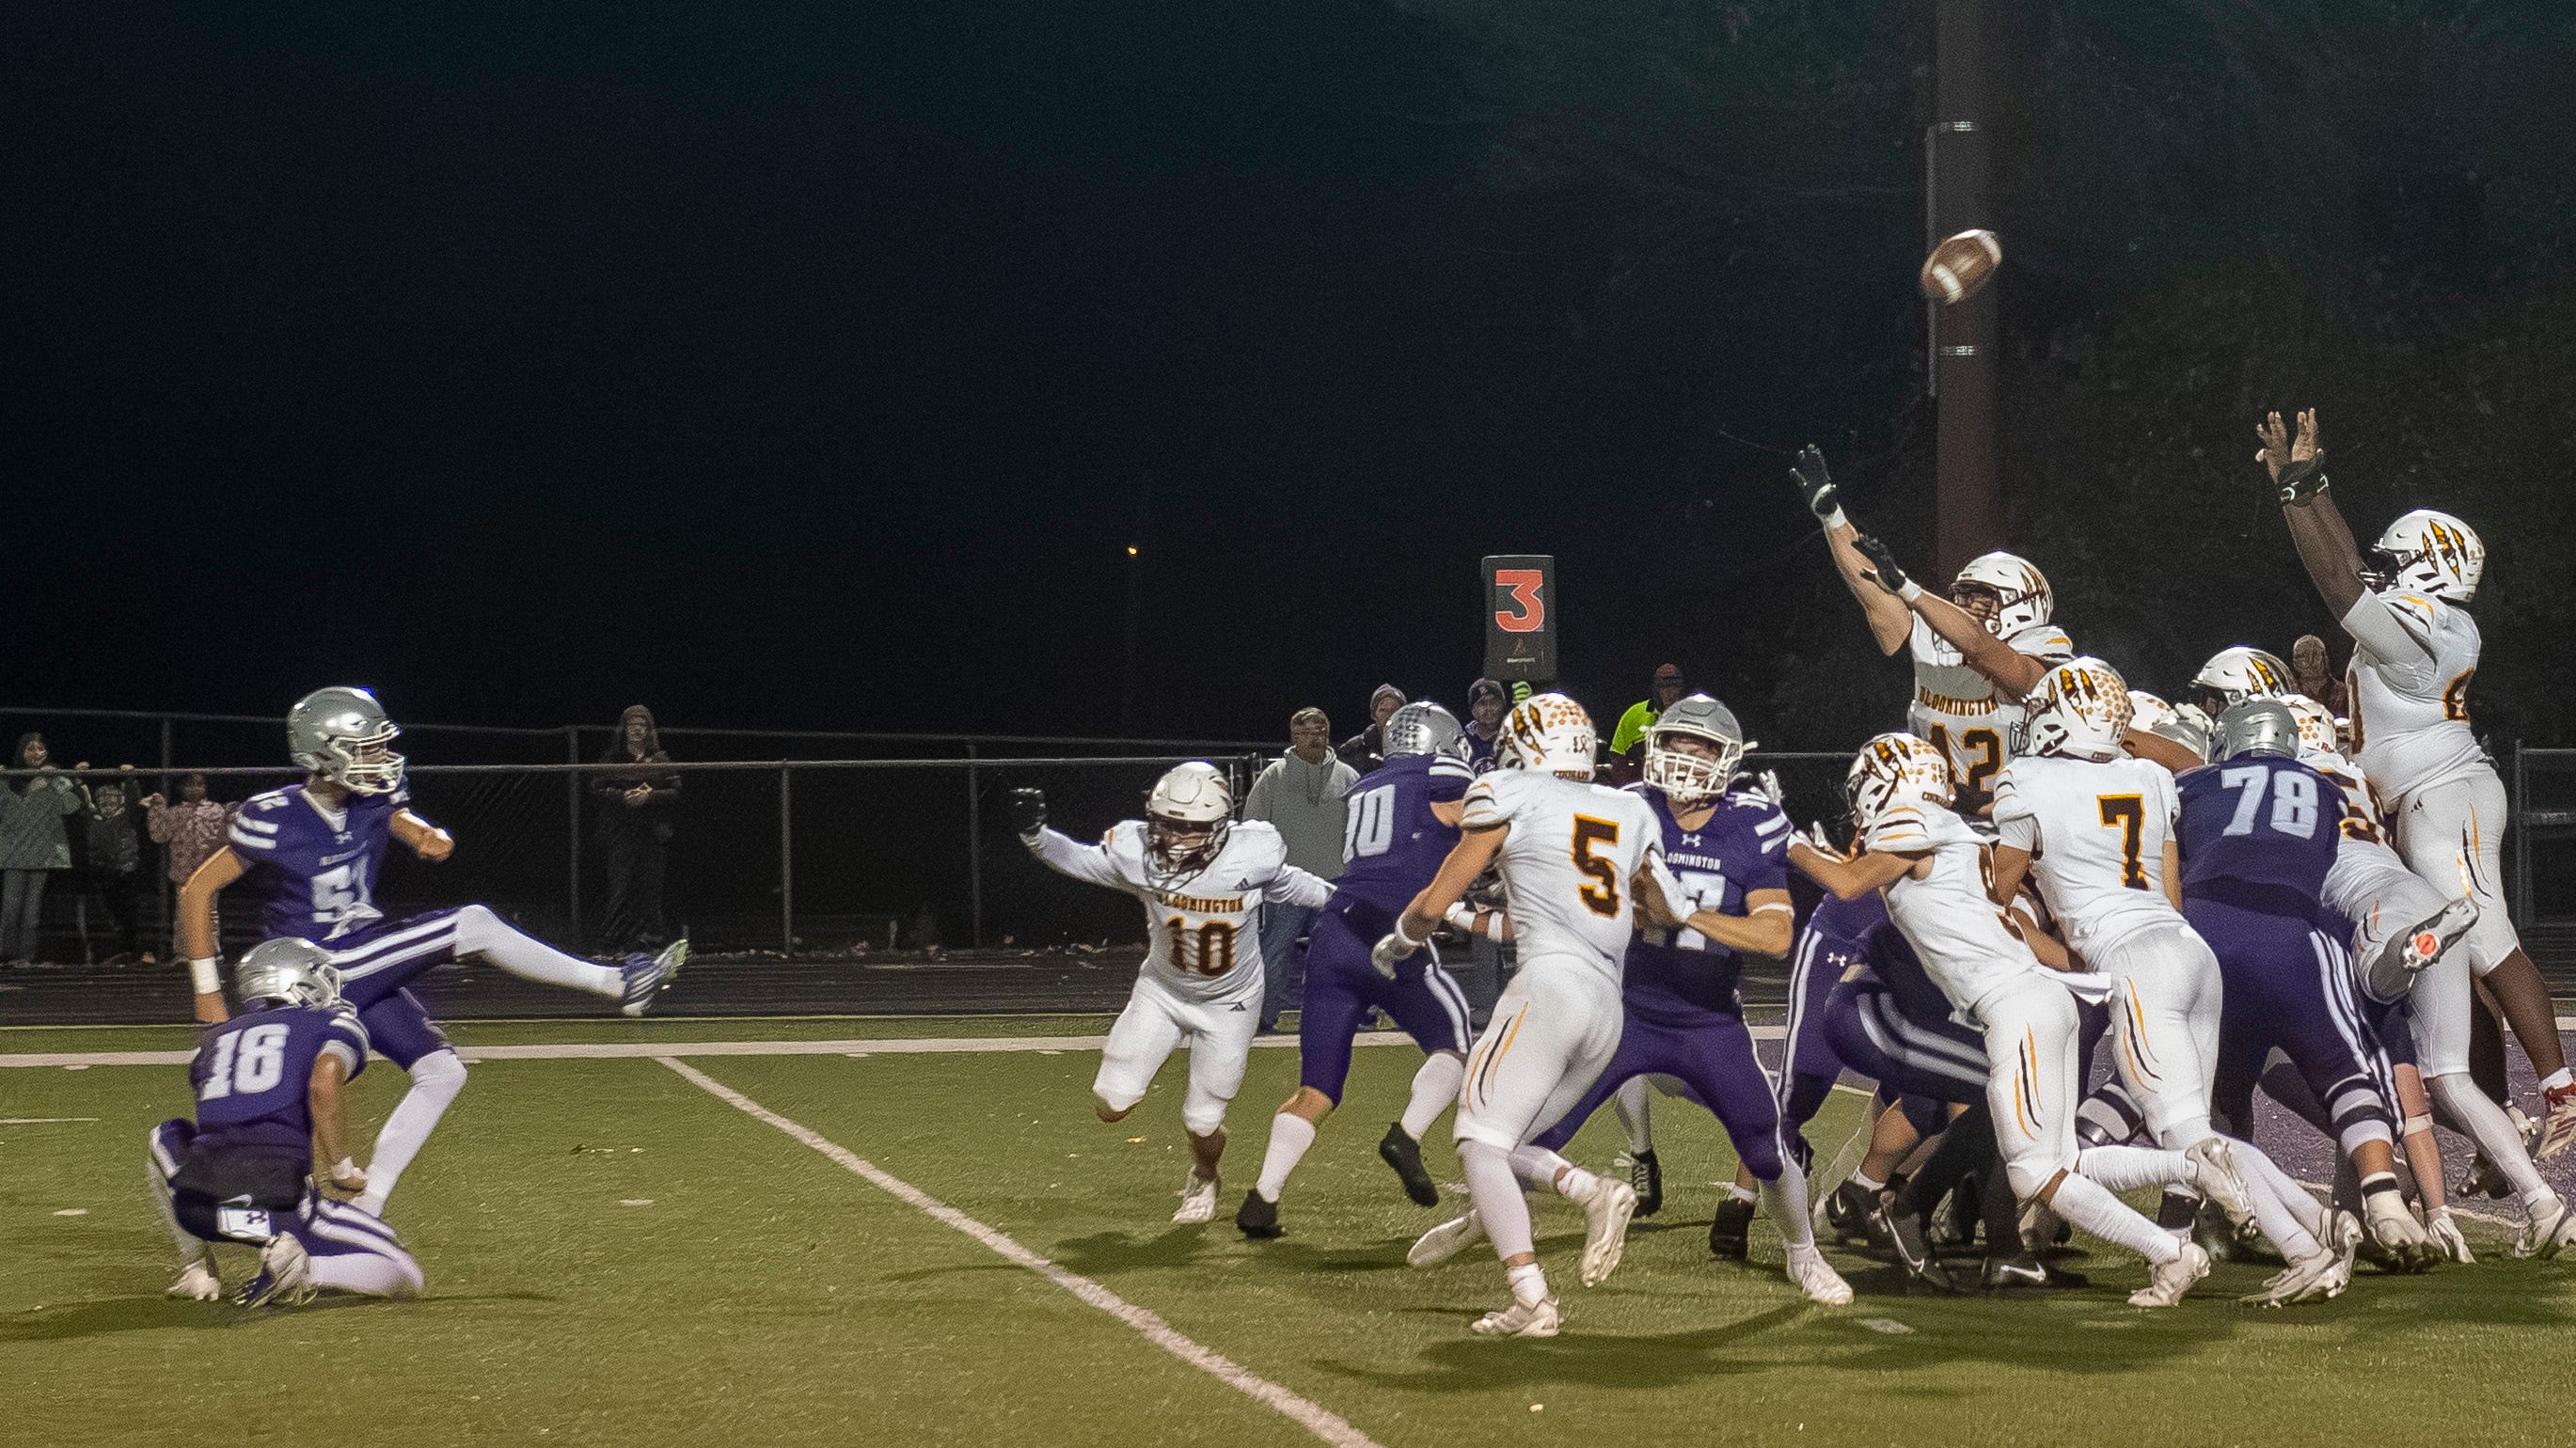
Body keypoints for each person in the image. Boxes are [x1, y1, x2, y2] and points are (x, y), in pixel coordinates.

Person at [178, 687, 688, 1220]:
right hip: (317, 965)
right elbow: (196, 891)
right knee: (472, 923)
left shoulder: (373, 798)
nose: (379, 759)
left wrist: (428, 836)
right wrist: (208, 998)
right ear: (324, 753)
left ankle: (365, 1209)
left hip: (361, 958)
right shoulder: (274, 816)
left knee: (443, 1073)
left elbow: (406, 825)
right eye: (366, 748)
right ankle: (616, 984)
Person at [1792, 732, 2257, 1308]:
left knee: (2035, 1174)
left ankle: (2173, 1244)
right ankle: (2189, 1176)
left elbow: (1846, 882)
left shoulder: (1912, 820)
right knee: (2066, 1160)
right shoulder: (1962, 834)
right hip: (2045, 1000)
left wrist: (1785, 842)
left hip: (2013, 1007)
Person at [2261, 407, 2576, 1162]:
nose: (2380, 573)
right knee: (2458, 971)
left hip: (2445, 797)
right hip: (2425, 800)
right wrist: (2310, 486)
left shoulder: (2432, 627)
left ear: (2428, 567)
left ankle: (2563, 1094)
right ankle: (2503, 1119)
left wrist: (2294, 499)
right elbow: (2348, 567)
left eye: (2395, 564)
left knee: (2489, 942)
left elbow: (2338, 582)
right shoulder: (2429, 616)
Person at [1987, 660, 2336, 1298]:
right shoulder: (2148, 776)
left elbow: (1993, 904)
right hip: (2185, 949)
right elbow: (2171, 896)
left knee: (2191, 1146)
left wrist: (2058, 955)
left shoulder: (2026, 781)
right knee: (2200, 1132)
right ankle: (2316, 1225)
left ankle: (2306, 1244)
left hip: (2130, 960)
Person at [1508, 696, 1851, 1302]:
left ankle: (1803, 1253)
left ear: (1728, 759)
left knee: (1768, 1149)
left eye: (1702, 749)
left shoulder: (1750, 822)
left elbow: (1775, 937)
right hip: (1623, 1012)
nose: (1685, 759)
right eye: (1676, 745)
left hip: (1708, 1020)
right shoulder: (1627, 808)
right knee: (1514, 1140)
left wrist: (1686, 913)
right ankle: (1496, 1219)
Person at [1387, 693, 1679, 1339]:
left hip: (1547, 988)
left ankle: (1540, 1283)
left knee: (1476, 1140)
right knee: (1506, 1143)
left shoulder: (1508, 790)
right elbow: (1660, 912)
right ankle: (1529, 1230)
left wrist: (1403, 938)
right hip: (1607, 1006)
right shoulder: (1628, 806)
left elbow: (1436, 899)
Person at [2177, 700, 2457, 1273]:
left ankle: (2174, 1231)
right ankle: (2385, 1203)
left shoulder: (2193, 783)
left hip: (2205, 926)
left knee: (2184, 1091)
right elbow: (2318, 865)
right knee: (2345, 1068)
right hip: (2295, 928)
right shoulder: (2327, 788)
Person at [1012, 763, 1333, 1225]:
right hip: (1161, 992)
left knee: (1202, 1120)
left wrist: (1347, 901)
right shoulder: (1137, 854)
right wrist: (1035, 834)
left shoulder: (1250, 857)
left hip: (1230, 1003)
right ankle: (1194, 1159)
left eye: (1193, 828)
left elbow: (1295, 884)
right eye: (1169, 825)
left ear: (1222, 827)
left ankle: (1205, 1175)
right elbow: (1079, 859)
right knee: (1112, 1102)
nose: (1179, 839)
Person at [1236, 702, 1476, 1240]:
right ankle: (1407, 1136)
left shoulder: (1365, 784)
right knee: (1458, 1045)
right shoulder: (1441, 773)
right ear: (1439, 741)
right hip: (1393, 933)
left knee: (1317, 1087)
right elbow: (1475, 825)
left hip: (1335, 932)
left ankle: (1263, 1197)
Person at [1791, 445, 2075, 813]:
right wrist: (1832, 517)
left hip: (2017, 817)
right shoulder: (1935, 635)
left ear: (2023, 603)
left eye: (1983, 599)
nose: (1968, 607)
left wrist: (1910, 589)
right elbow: (1871, 589)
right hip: (1941, 813)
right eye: (1964, 597)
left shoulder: (2042, 644)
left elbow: (1987, 651)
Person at [147, 937, 425, 1306]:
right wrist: (342, 1169)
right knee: (403, 1270)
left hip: (202, 1214)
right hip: (278, 1204)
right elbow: (324, 1080)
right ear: (297, 981)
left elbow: (225, 1107)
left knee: (164, 1136)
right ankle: (303, 1271)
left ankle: (197, 1269)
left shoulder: (214, 1040)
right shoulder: (330, 1021)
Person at [1241, 707, 1356, 1032]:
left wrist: (1353, 870)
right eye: (1306, 732)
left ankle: (1333, 1017)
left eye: (1320, 730)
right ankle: (1261, 1018)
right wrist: (1262, 874)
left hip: (1333, 882)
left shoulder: (1347, 777)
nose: (1314, 737)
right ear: (1293, 736)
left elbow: (1361, 828)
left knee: (1334, 957)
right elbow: (1252, 828)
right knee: (1274, 954)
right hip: (1285, 883)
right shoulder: (1273, 777)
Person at [592, 704, 680, 952]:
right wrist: (623, 795)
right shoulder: (612, 758)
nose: (637, 730)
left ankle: (654, 940)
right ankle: (612, 943)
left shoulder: (661, 759)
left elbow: (675, 791)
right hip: (621, 832)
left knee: (650, 889)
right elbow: (597, 788)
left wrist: (650, 796)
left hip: (651, 833)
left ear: (648, 729)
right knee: (621, 889)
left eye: (642, 725)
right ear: (625, 729)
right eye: (632, 725)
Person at [0, 732, 83, 964]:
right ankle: (4, 958)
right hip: (13, 855)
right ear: (20, 752)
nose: (36, 753)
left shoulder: (51, 780)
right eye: (30, 748)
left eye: (40, 748)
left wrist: (56, 779)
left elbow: (71, 807)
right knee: (9, 912)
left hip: (42, 855)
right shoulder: (7, 780)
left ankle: (25, 959)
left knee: (31, 915)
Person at [147, 773, 233, 959]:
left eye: (199, 785)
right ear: (181, 789)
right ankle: (184, 953)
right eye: (189, 785)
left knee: (210, 912)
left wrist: (232, 816)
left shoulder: (217, 811)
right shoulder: (176, 812)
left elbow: (228, 837)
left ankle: (211, 952)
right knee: (184, 913)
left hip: (209, 871)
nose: (195, 789)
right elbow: (158, 835)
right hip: (183, 872)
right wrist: (157, 808)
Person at [77, 765, 151, 963]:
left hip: (126, 870)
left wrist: (129, 777)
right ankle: (105, 951)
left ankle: (129, 949)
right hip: (101, 871)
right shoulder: (93, 818)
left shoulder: (127, 816)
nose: (107, 802)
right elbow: (83, 799)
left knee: (128, 912)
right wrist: (80, 778)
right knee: (105, 913)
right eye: (103, 799)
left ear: (121, 800)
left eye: (112, 798)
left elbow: (134, 801)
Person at [1605, 664, 1686, 784]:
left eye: (1674, 687)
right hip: (1639, 793)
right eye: (1663, 688)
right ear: (1656, 690)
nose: (1669, 693)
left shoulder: (1693, 716)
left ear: (1680, 689)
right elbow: (1618, 755)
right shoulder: (1634, 714)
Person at [1336, 685, 1407, 774]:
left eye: (1394, 710)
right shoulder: (1352, 750)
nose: (1389, 715)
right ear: (1374, 715)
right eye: (1382, 710)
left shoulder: (1415, 748)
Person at [2292, 634, 2349, 717]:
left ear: (2325, 659)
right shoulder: (2291, 692)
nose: (2310, 661)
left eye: (2315, 654)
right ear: (2295, 663)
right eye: (2303, 656)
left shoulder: (2342, 692)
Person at [1462, 678, 1508, 774]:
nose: (1489, 708)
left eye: (1494, 702)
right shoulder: (1462, 744)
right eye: (1482, 703)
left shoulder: (1517, 737)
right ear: (1472, 709)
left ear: (1503, 705)